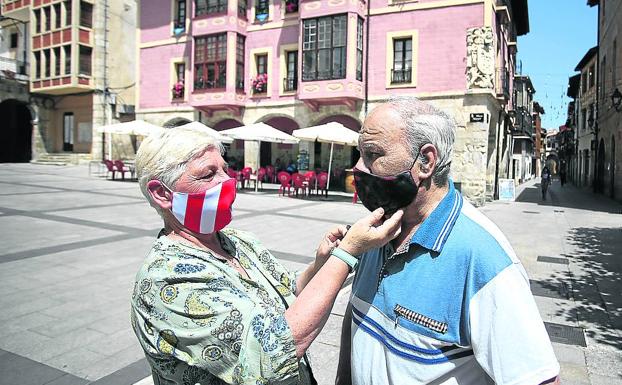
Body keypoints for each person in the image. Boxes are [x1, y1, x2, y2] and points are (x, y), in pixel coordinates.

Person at [130, 126, 403, 385]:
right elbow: (270, 354)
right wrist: (346, 255)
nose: (226, 181)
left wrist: (320, 264)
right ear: (161, 194)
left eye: (224, 169)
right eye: (207, 174)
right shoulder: (166, 279)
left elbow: (286, 291)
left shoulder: (237, 241)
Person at [336, 97, 560, 385]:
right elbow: (355, 316)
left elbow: (538, 379)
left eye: (372, 154)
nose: (358, 168)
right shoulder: (376, 230)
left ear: (426, 161)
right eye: (359, 154)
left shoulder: (483, 257)